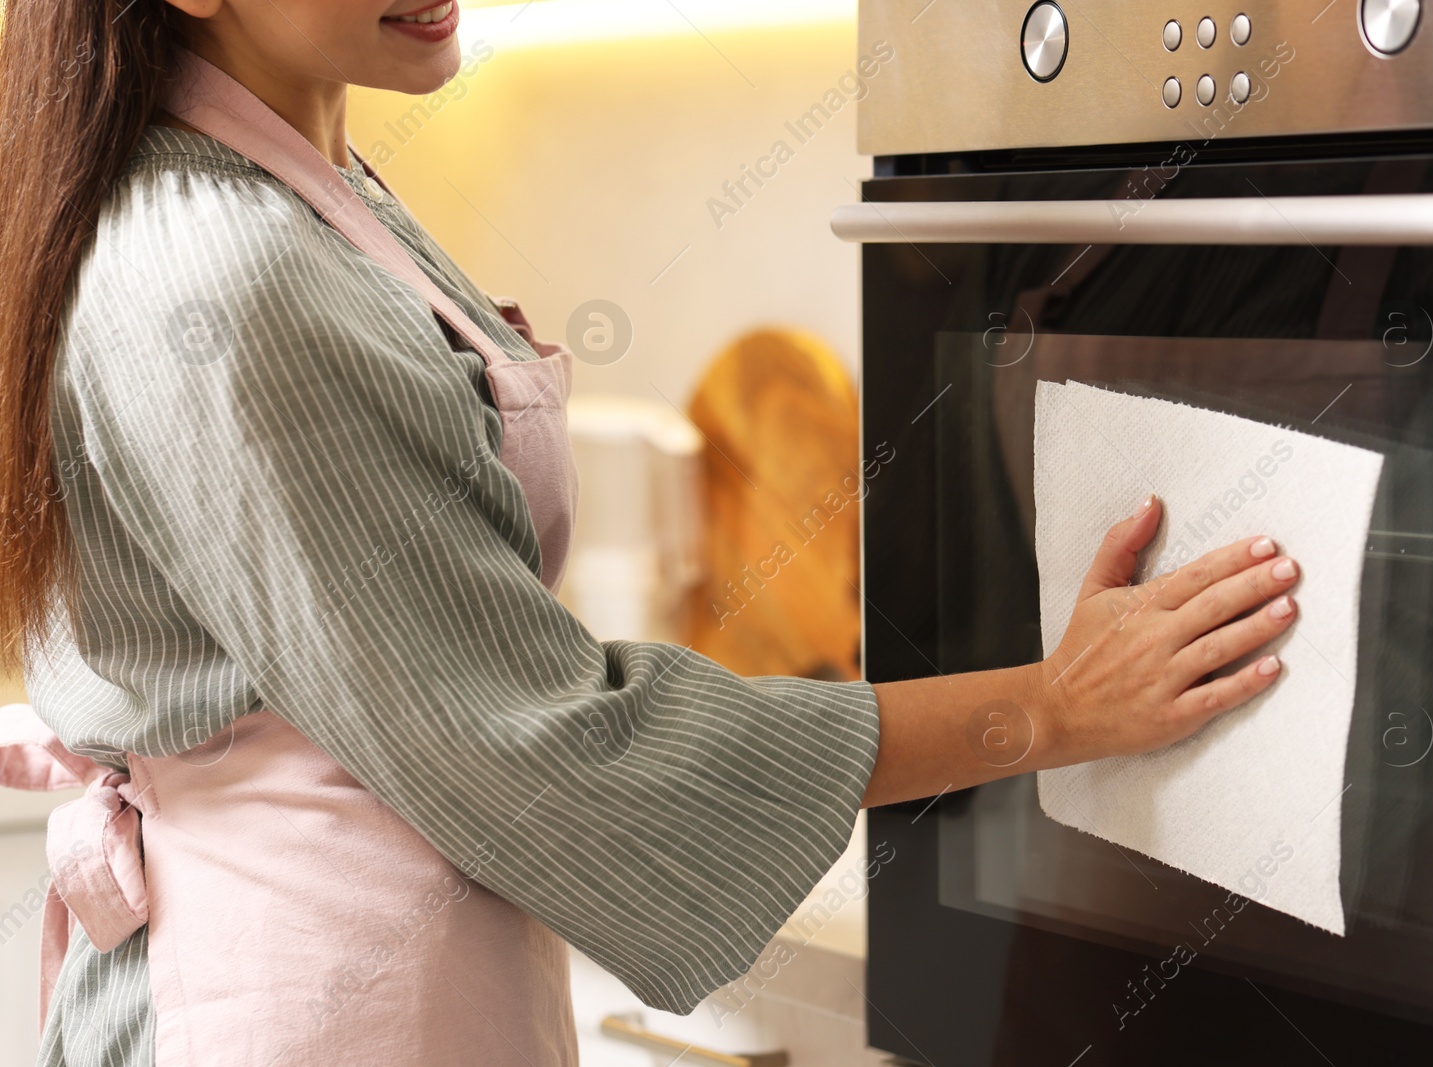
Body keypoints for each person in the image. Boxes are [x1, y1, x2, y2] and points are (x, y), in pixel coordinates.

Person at [0, 2, 1301, 1064]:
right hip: (304, 1000)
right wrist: (1053, 708)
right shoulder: (230, 273)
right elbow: (548, 750)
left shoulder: (279, 184)